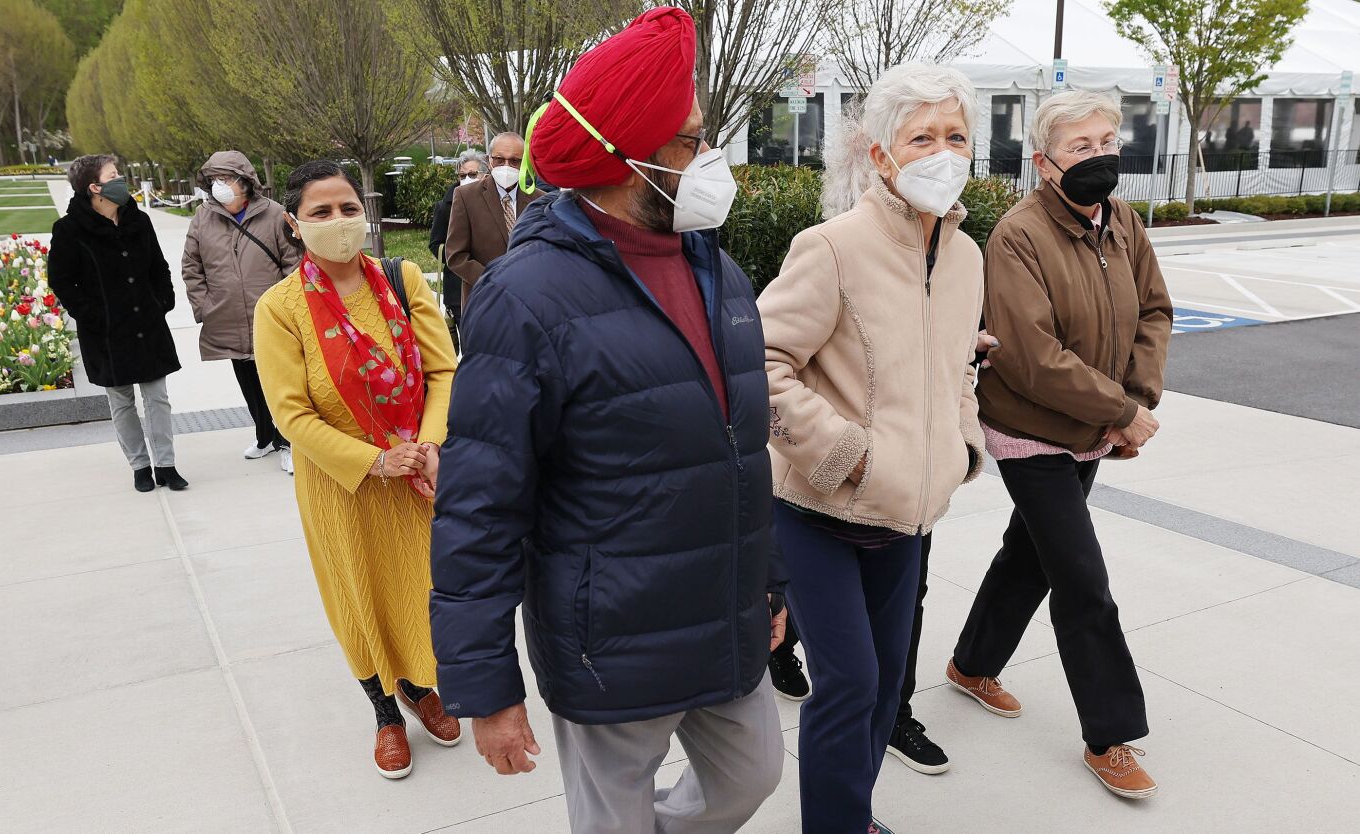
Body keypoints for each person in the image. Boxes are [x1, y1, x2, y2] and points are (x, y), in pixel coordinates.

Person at [430, 8, 787, 832]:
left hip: (721, 613)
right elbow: (480, 504)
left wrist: (769, 580)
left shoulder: (718, 268)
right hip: (610, 636)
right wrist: (485, 687)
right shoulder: (526, 298)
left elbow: (740, 450)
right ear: (631, 158)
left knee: (752, 777)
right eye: (692, 141)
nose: (708, 158)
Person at [757, 63, 988, 834]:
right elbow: (758, 364)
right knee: (850, 685)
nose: (941, 151)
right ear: (881, 154)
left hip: (906, 518)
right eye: (920, 136)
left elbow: (958, 362)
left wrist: (958, 447)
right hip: (816, 510)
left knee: (886, 687)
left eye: (955, 135)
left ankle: (849, 816)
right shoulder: (829, 247)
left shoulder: (966, 256)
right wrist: (845, 452)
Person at [948, 90, 1173, 801]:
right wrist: (1117, 413)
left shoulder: (1123, 220)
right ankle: (1109, 735)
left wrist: (1130, 405)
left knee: (1030, 557)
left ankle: (970, 665)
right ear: (1044, 163)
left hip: (1090, 427)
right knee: (1081, 579)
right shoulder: (1016, 236)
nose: (1101, 154)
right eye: (1080, 146)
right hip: (1031, 432)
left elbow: (1154, 311)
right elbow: (1029, 355)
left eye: (1107, 139)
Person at [253, 160, 462, 780]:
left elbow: (443, 371)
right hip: (343, 487)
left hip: (414, 478)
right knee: (359, 597)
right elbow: (290, 415)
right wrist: (373, 460)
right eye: (321, 212)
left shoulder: (402, 281)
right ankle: (384, 714)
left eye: (347, 208)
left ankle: (420, 688)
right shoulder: (281, 308)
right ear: (295, 223)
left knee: (419, 591)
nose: (338, 222)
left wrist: (427, 444)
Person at [49, 154, 186, 494]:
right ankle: (140, 466)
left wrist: (163, 301)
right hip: (106, 333)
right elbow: (63, 282)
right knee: (121, 400)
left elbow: (158, 265)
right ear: (94, 187)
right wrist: (94, 315)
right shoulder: (69, 230)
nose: (120, 179)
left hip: (147, 323)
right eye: (114, 175)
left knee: (158, 397)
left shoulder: (137, 220)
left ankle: (165, 465)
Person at [182, 151, 300, 473]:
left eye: (226, 178)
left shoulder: (274, 214)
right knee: (247, 380)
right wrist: (204, 305)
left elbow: (294, 262)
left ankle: (286, 441)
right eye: (214, 180)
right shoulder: (203, 218)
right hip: (228, 316)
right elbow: (192, 267)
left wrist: (288, 305)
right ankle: (264, 436)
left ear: (245, 182)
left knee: (276, 381)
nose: (219, 185)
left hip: (270, 317)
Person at [444, 131, 537, 313]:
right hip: (484, 304)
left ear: (524, 162)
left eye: (514, 161)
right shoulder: (466, 196)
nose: (507, 166)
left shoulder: (540, 200)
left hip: (530, 305)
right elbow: (456, 255)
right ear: (489, 160)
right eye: (500, 159)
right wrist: (494, 280)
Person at [429, 150, 486, 353]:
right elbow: (435, 243)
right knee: (469, 346)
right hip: (458, 288)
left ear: (485, 175)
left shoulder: (494, 203)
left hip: (490, 284)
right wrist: (458, 258)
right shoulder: (446, 206)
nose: (467, 179)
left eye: (472, 174)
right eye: (463, 175)